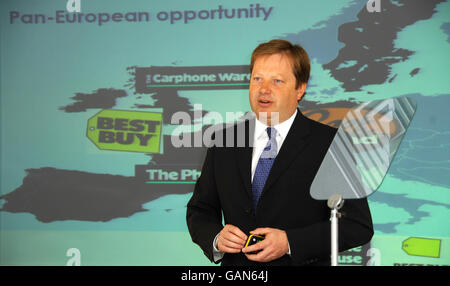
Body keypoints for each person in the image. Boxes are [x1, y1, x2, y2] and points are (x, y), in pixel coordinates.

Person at [186, 39, 373, 266]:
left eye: (277, 81)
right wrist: (216, 237)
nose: (264, 89)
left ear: (299, 89)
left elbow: (357, 225)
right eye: (257, 79)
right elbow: (200, 210)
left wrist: (290, 242)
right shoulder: (223, 141)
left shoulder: (330, 143)